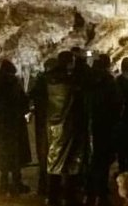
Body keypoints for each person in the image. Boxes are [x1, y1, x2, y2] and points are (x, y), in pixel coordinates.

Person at [40, 50, 89, 206]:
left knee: (53, 160)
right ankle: (69, 196)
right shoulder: (73, 83)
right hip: (70, 125)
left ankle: (51, 195)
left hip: (53, 125)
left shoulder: (47, 80)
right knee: (72, 161)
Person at [86, 54, 121, 206]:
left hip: (89, 124)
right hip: (104, 125)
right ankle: (101, 193)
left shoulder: (88, 80)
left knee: (91, 160)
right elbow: (116, 103)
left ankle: (89, 193)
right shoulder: (108, 81)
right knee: (103, 159)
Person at [0, 60, 31, 196]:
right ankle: (16, 183)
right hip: (14, 122)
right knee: (15, 153)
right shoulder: (14, 84)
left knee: (3, 152)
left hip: (0, 123)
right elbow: (24, 102)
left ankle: (2, 185)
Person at [30, 57, 57, 197]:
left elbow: (32, 95)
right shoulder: (56, 82)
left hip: (42, 122)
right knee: (53, 154)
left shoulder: (41, 82)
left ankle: (44, 186)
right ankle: (51, 187)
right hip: (53, 122)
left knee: (44, 154)